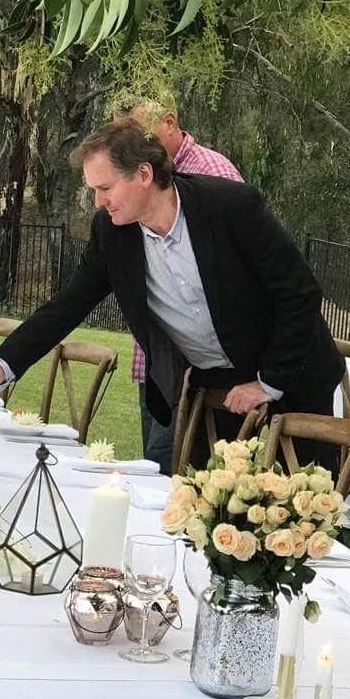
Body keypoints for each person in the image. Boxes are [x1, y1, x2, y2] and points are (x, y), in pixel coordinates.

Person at [0, 116, 342, 471]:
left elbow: (299, 293)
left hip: (294, 381)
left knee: (305, 510)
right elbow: (65, 307)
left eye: (105, 188)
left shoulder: (230, 206)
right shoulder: (112, 234)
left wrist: (267, 382)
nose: (98, 202)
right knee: (210, 509)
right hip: (216, 393)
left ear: (143, 174)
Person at [127, 97, 244, 465]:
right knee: (152, 463)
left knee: (168, 464)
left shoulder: (212, 174)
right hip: (154, 361)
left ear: (169, 121)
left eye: (140, 133)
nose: (133, 145)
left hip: (193, 370)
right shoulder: (134, 179)